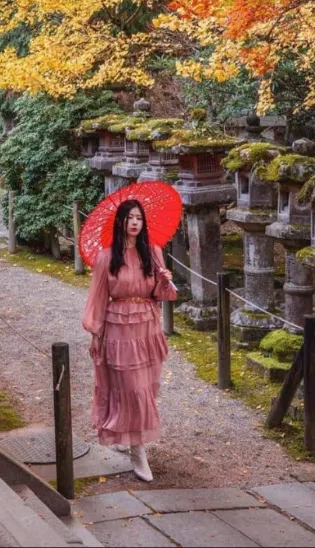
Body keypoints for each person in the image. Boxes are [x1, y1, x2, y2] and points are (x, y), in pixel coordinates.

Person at [82, 198, 178, 482]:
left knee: (145, 389)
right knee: (129, 387)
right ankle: (138, 450)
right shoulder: (106, 257)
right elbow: (97, 298)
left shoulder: (154, 252)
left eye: (139, 218)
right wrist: (95, 333)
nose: (135, 222)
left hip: (146, 327)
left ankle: (131, 437)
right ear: (121, 221)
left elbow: (163, 296)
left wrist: (164, 279)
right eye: (130, 217)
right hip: (118, 328)